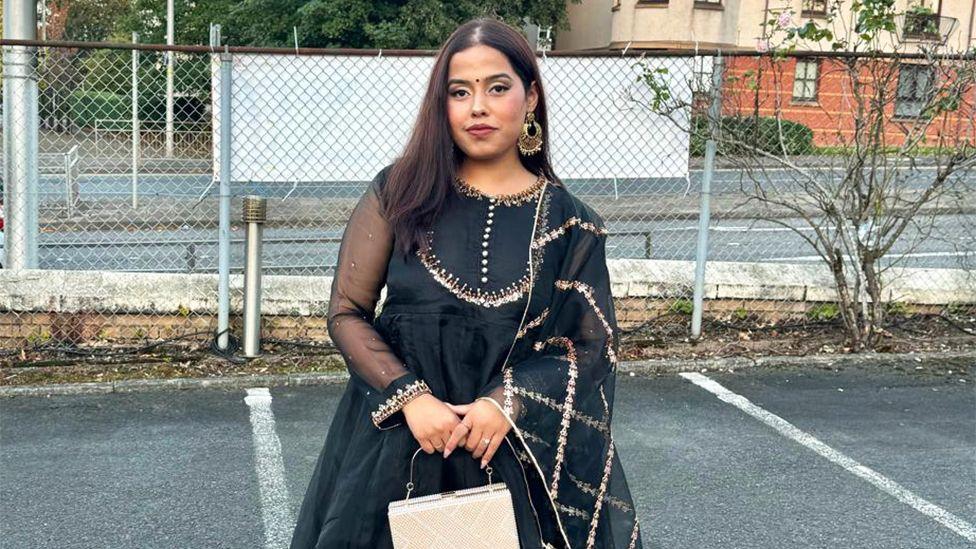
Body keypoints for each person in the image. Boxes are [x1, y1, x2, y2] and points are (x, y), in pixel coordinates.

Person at [289, 16, 643, 549]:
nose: (477, 107)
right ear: (443, 106)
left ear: (529, 99)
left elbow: (589, 348)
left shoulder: (570, 224)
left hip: (512, 456)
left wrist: (506, 401)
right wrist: (410, 398)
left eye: (497, 88)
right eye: (459, 92)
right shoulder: (399, 194)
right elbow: (346, 312)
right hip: (396, 446)